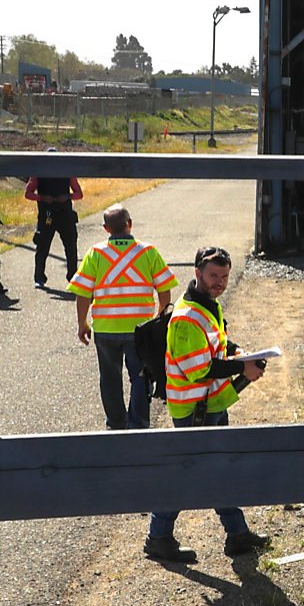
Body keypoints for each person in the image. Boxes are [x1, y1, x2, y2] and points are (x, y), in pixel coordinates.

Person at [148, 246, 269, 562]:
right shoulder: (187, 317)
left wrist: (238, 351)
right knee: (189, 474)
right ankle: (158, 536)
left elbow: (218, 341)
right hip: (194, 411)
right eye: (214, 276)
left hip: (210, 404)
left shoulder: (207, 305)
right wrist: (242, 368)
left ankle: (238, 534)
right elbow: (198, 369)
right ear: (197, 273)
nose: (220, 282)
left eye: (225, 276)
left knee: (219, 470)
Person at [68, 206, 176, 430]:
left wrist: (82, 323)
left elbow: (83, 292)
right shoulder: (147, 251)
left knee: (109, 379)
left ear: (106, 228)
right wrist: (159, 316)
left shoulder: (96, 253)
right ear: (130, 223)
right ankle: (139, 424)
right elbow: (164, 288)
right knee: (141, 376)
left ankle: (116, 424)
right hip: (141, 330)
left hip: (106, 329)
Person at [24, 171, 83, 289]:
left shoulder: (67, 172)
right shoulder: (38, 173)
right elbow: (28, 194)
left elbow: (79, 194)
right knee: (42, 247)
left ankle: (73, 278)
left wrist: (67, 196)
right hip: (46, 215)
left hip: (65, 215)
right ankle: (39, 278)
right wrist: (42, 198)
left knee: (71, 247)